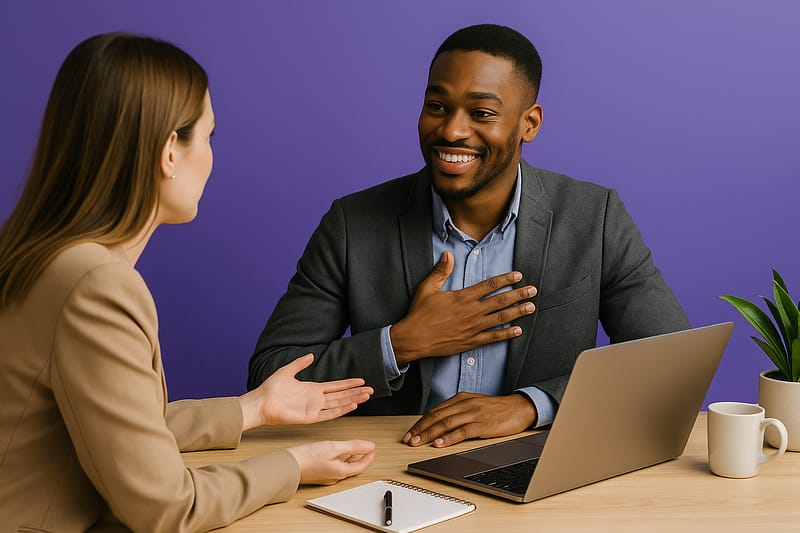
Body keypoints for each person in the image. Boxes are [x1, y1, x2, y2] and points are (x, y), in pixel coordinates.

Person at [248, 24, 690, 449]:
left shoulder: (595, 218)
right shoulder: (353, 223)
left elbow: (669, 361)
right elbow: (270, 376)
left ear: (528, 124)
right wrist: (402, 342)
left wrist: (530, 406)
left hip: (536, 463)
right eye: (437, 106)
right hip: (391, 464)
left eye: (481, 113)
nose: (451, 130)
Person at [0, 33, 376, 532]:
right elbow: (166, 508)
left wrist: (252, 410)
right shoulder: (95, 286)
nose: (211, 157)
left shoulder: (46, 258)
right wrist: (294, 466)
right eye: (208, 136)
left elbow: (115, 429)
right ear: (168, 152)